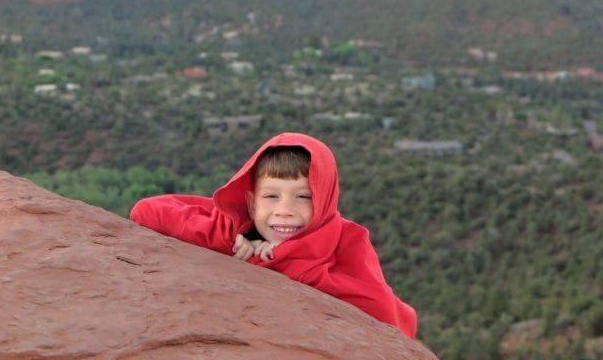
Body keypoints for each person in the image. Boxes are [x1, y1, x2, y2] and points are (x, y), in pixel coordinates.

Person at [129, 132, 417, 338]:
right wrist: (234, 240)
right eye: (271, 196)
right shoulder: (234, 229)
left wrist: (279, 258)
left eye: (303, 196)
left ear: (326, 199)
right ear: (252, 203)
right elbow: (146, 210)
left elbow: (382, 312)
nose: (284, 211)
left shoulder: (348, 240)